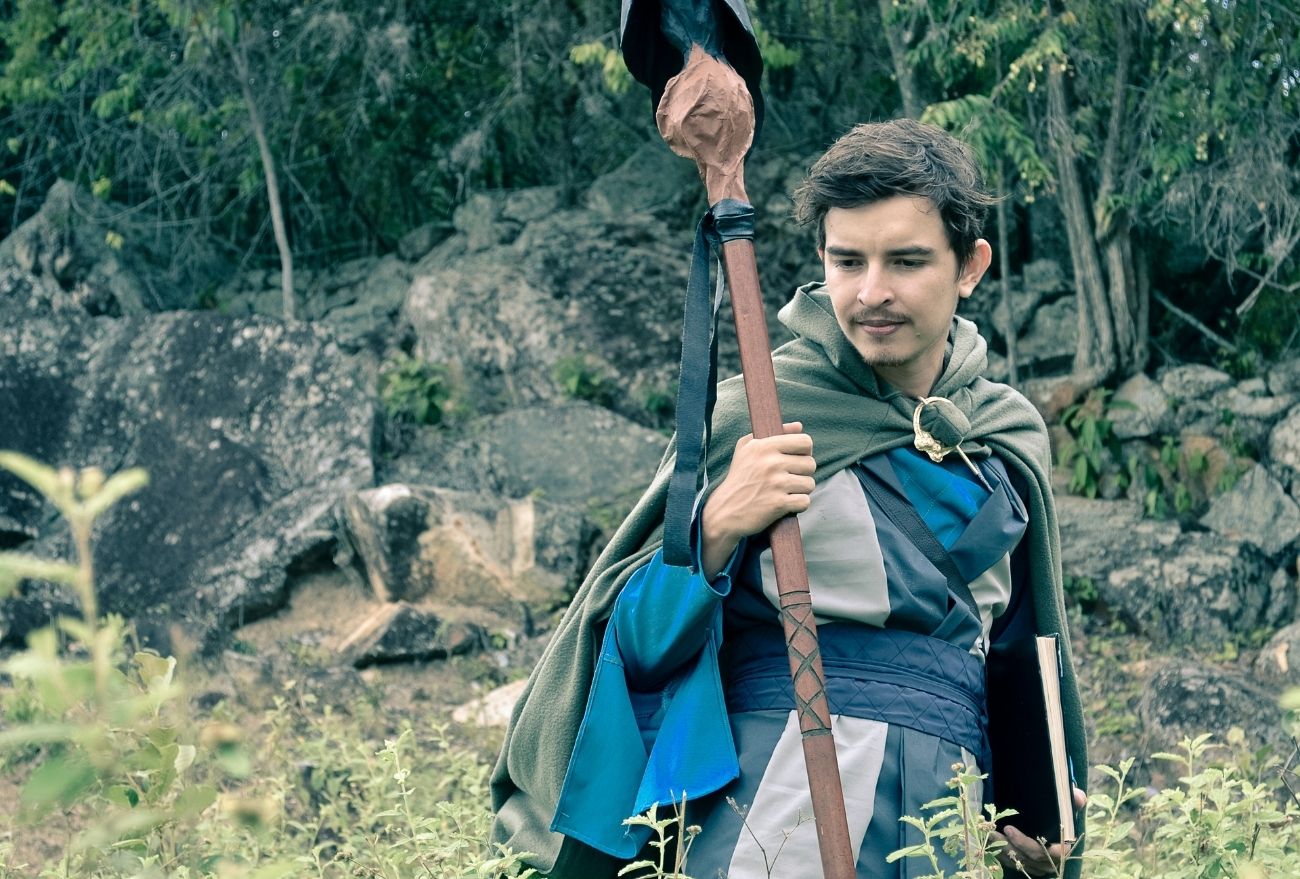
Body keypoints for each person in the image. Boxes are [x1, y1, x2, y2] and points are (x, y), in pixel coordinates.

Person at [490, 118, 1087, 879]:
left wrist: (1030, 818)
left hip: (948, 819)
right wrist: (715, 528)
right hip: (773, 810)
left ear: (970, 266)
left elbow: (1020, 662)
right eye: (848, 260)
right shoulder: (758, 415)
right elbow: (631, 646)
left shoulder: (1005, 435)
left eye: (906, 261)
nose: (872, 291)